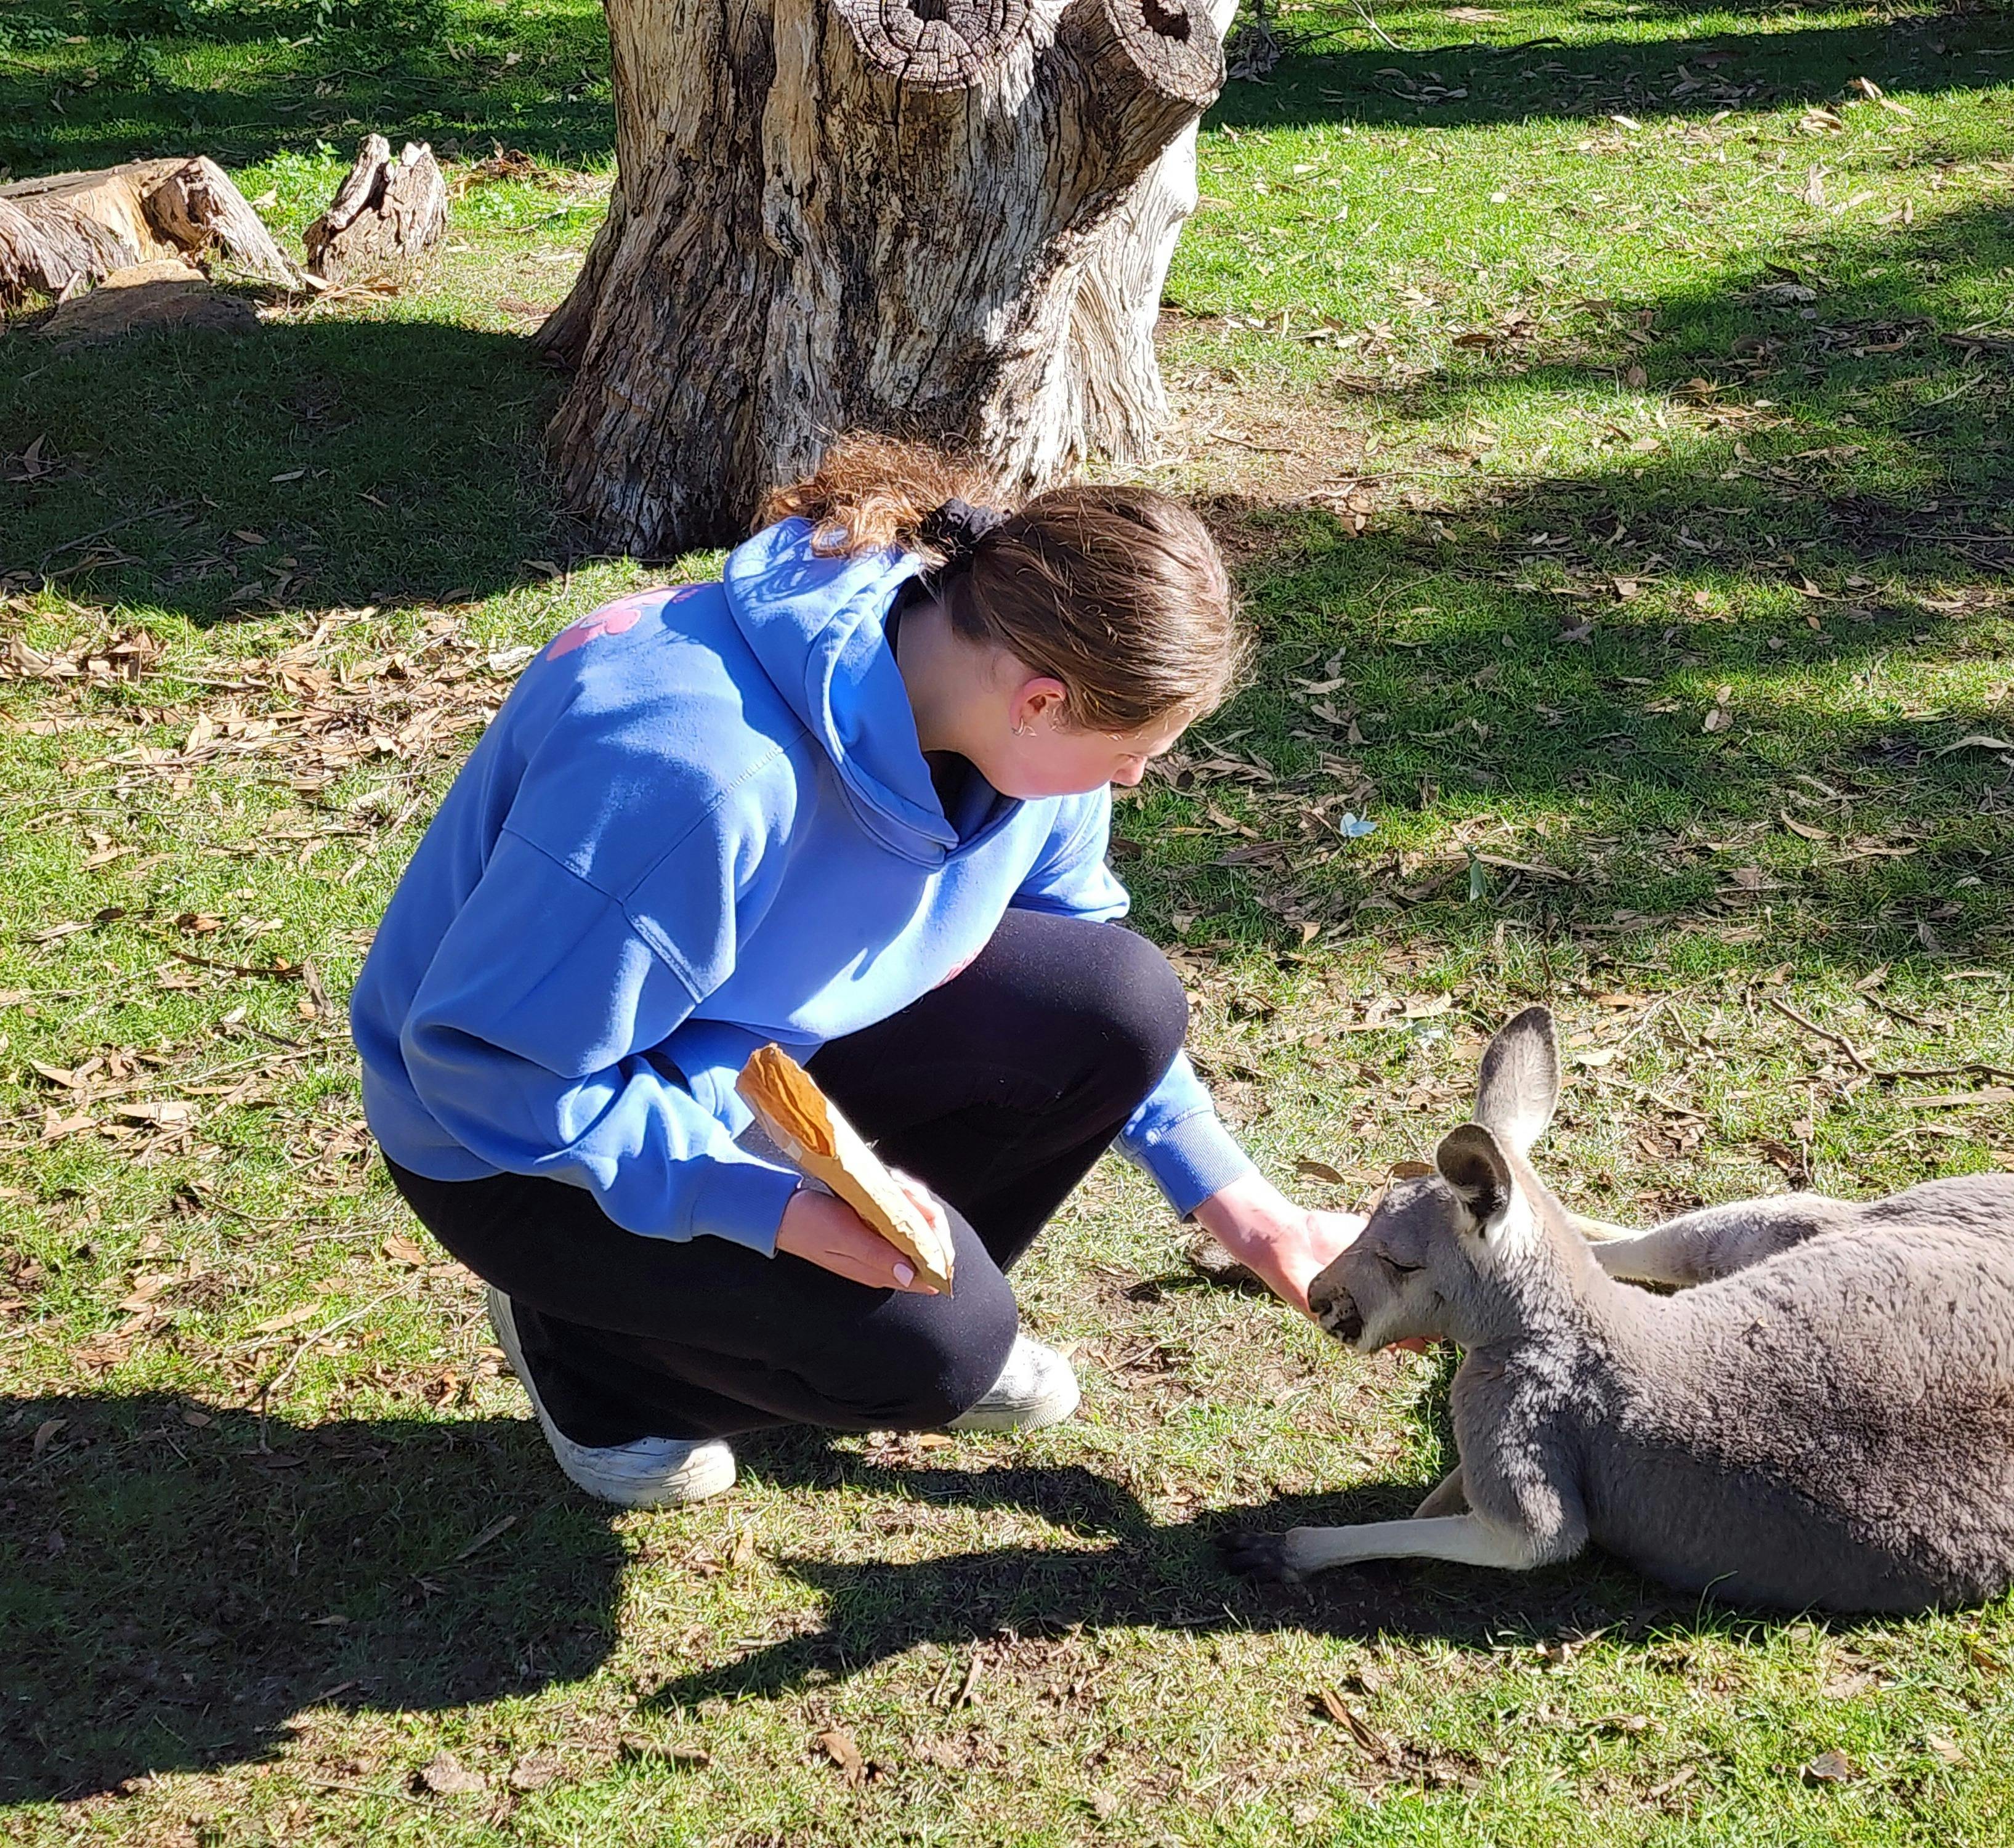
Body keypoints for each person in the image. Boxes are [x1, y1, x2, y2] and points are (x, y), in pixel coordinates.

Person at [352, 439, 1361, 1508]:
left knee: (1121, 1000)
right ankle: (595, 1363)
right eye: (1136, 746)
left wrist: (1251, 1214)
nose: (1136, 775)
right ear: (1040, 699)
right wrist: (763, 1210)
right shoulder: (698, 774)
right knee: (937, 1355)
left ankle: (787, 1324)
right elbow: (487, 1069)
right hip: (515, 1148)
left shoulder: (1023, 721)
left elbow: (1089, 967)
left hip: (754, 1054)